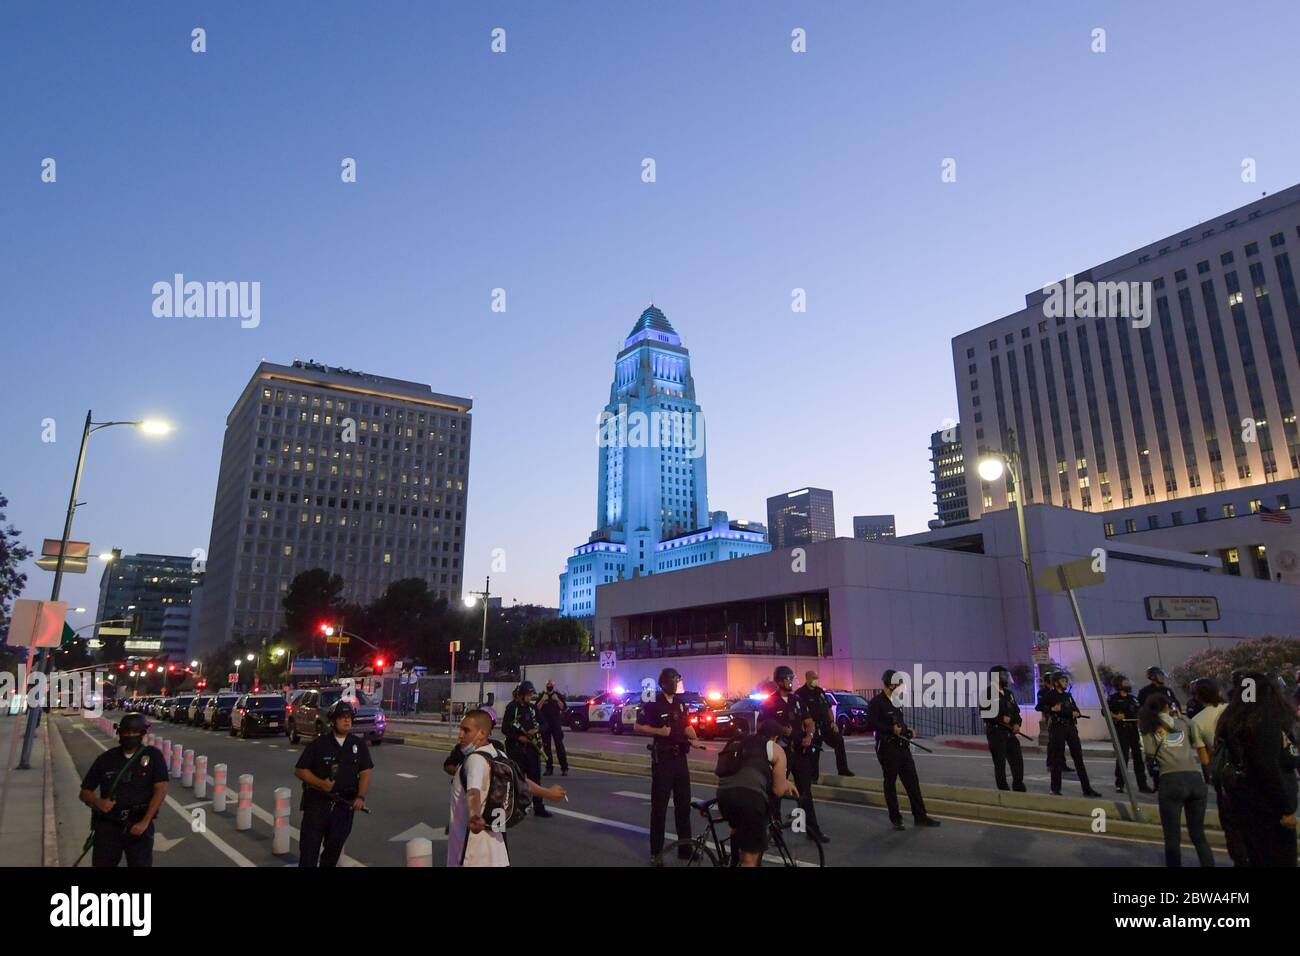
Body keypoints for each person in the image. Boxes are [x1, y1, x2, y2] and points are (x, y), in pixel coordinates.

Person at [447, 708, 567, 867]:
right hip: (497, 853)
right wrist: (548, 793)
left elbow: (473, 791)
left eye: (466, 730)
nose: (460, 735)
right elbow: (521, 782)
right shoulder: (499, 756)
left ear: (482, 733)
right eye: (460, 729)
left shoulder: (474, 761)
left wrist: (475, 815)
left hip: (471, 854)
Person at [1213, 671, 1298, 867]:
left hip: (1239, 805)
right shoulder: (1264, 722)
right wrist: (1285, 809)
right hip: (1267, 811)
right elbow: (1267, 768)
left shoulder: (1232, 720)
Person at [635, 667, 706, 866]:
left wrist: (695, 739)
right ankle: (656, 853)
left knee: (683, 806)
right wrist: (659, 731)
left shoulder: (680, 704)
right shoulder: (653, 704)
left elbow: (686, 726)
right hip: (663, 760)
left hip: (680, 759)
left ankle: (685, 849)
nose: (678, 683)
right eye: (675, 679)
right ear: (666, 682)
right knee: (659, 808)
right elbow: (638, 726)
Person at [78, 712, 169, 867]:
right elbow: (85, 792)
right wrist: (97, 802)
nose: (130, 735)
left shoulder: (153, 756)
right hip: (108, 826)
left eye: (135, 732)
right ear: (119, 733)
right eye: (126, 732)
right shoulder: (106, 759)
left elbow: (161, 789)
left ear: (142, 734)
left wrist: (145, 822)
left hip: (138, 826)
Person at [293, 699, 373, 867]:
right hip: (317, 805)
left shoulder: (358, 745)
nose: (347, 720)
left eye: (349, 717)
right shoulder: (319, 744)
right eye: (342, 717)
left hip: (344, 807)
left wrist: (360, 797)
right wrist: (321, 784)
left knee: (332, 853)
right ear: (332, 721)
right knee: (309, 853)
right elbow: (300, 770)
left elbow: (365, 773)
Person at [1139, 694, 1214, 867]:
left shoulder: (1148, 728)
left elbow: (1150, 753)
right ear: (1169, 707)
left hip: (1170, 780)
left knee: (1172, 838)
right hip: (1195, 779)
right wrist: (1182, 718)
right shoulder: (1186, 724)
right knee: (1198, 835)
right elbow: (1199, 743)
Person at [866, 670, 941, 831]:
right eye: (898, 684)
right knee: (890, 783)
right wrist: (890, 730)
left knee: (912, 782)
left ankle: (920, 816)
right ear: (889, 684)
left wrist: (908, 731)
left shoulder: (896, 701)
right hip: (887, 748)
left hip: (902, 747)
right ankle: (896, 818)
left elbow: (900, 724)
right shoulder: (876, 703)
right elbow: (872, 724)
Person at [716, 719, 798, 867]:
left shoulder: (740, 742)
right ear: (775, 737)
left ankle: (735, 861)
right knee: (750, 859)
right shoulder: (774, 748)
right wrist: (785, 784)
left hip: (723, 795)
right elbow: (778, 790)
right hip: (750, 799)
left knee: (737, 828)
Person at [761, 666, 829, 843]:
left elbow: (809, 721)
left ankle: (812, 830)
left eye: (791, 678)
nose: (790, 681)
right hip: (780, 753)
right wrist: (781, 730)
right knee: (776, 792)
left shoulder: (797, 699)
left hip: (800, 752)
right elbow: (762, 727)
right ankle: (775, 832)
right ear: (779, 681)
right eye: (787, 678)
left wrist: (809, 735)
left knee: (805, 791)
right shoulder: (770, 702)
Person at [1039, 671, 1102, 797]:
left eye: (1066, 681)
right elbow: (1039, 706)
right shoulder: (1050, 695)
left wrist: (1076, 713)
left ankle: (1087, 788)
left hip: (1070, 727)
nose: (1065, 683)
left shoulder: (1068, 695)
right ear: (1056, 682)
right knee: (1057, 759)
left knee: (1078, 757)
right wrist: (1051, 709)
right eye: (1063, 681)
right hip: (1058, 728)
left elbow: (1075, 708)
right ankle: (1055, 789)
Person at [502, 681, 550, 817]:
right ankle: (515, 808)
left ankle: (539, 807)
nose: (530, 697)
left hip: (532, 749)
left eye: (531, 695)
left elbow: (545, 723)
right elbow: (506, 728)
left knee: (535, 778)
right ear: (521, 695)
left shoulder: (533, 709)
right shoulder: (512, 708)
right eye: (528, 695)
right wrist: (518, 737)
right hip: (516, 750)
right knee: (517, 779)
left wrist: (537, 729)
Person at [795, 670, 853, 778]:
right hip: (812, 727)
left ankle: (843, 769)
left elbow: (828, 708)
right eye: (813, 678)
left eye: (816, 677)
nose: (816, 680)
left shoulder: (820, 691)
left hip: (825, 725)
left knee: (839, 741)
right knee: (814, 752)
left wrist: (832, 722)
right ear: (807, 678)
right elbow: (798, 713)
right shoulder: (800, 693)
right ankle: (813, 777)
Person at [984, 666, 1026, 791]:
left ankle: (1018, 786)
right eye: (1003, 675)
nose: (1006, 678)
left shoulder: (1009, 694)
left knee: (1017, 761)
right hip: (996, 733)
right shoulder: (987, 693)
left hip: (1010, 733)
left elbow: (1016, 712)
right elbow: (985, 714)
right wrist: (1001, 719)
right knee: (1000, 763)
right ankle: (1003, 790)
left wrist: (1017, 723)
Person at [1108, 678, 1153, 794]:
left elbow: (1139, 711)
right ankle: (1120, 784)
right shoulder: (1113, 698)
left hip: (1133, 730)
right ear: (1119, 685)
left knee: (1138, 757)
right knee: (1123, 757)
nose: (1128, 684)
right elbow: (1105, 711)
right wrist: (1115, 716)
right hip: (1121, 729)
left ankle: (1142, 785)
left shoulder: (1133, 698)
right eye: (1125, 683)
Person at [537, 680, 569, 777]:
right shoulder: (542, 696)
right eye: (548, 685)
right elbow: (536, 708)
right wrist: (543, 700)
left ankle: (564, 768)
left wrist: (557, 700)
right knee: (546, 748)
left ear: (553, 686)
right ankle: (549, 768)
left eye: (551, 685)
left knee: (560, 747)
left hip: (556, 725)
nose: (549, 686)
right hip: (545, 725)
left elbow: (564, 707)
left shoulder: (557, 695)